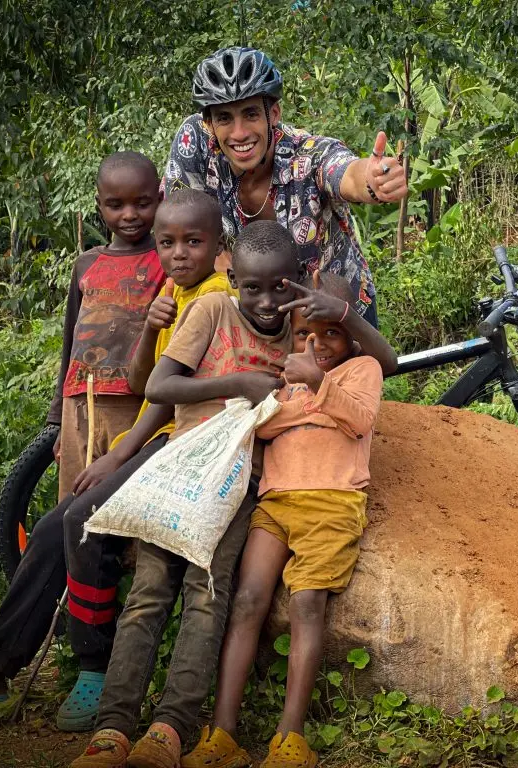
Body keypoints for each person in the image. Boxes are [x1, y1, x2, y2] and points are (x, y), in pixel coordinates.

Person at [0, 183, 230, 732]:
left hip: (190, 443)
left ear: (217, 245)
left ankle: (92, 666)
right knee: (57, 523)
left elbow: (164, 398)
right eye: (168, 242)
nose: (177, 253)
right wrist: (150, 330)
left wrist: (119, 452)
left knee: (82, 517)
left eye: (191, 242)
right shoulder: (175, 295)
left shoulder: (212, 298)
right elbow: (148, 380)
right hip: (161, 433)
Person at [68, 222, 393, 768]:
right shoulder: (216, 310)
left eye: (280, 289)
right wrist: (236, 387)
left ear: (299, 284)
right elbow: (159, 387)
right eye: (253, 288)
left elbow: (371, 369)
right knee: (150, 591)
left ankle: (170, 732)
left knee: (207, 596)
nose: (267, 303)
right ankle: (112, 731)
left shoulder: (300, 340)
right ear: (232, 278)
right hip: (181, 471)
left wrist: (324, 339)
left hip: (238, 486)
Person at [182, 273, 383, 768]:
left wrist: (314, 388)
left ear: (350, 334)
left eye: (330, 333)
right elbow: (264, 424)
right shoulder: (283, 376)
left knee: (307, 603)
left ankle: (290, 736)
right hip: (275, 502)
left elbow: (359, 419)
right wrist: (314, 406)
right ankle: (223, 733)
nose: (316, 345)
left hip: (333, 503)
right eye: (303, 335)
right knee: (248, 599)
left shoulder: (363, 370)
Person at [165, 46, 408, 327]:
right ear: (209, 124)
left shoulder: (306, 155)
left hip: (334, 311)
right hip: (253, 316)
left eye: (251, 114)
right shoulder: (195, 143)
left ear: (274, 113)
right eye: (224, 118)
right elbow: (181, 226)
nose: (239, 132)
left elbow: (343, 170)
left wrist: (373, 180)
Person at [49, 151, 168, 501]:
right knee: (74, 506)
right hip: (79, 408)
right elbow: (71, 341)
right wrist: (58, 420)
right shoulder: (86, 264)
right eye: (116, 205)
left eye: (142, 203)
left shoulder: (167, 261)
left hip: (135, 408)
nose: (129, 215)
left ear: (159, 199)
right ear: (99, 205)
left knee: (128, 507)